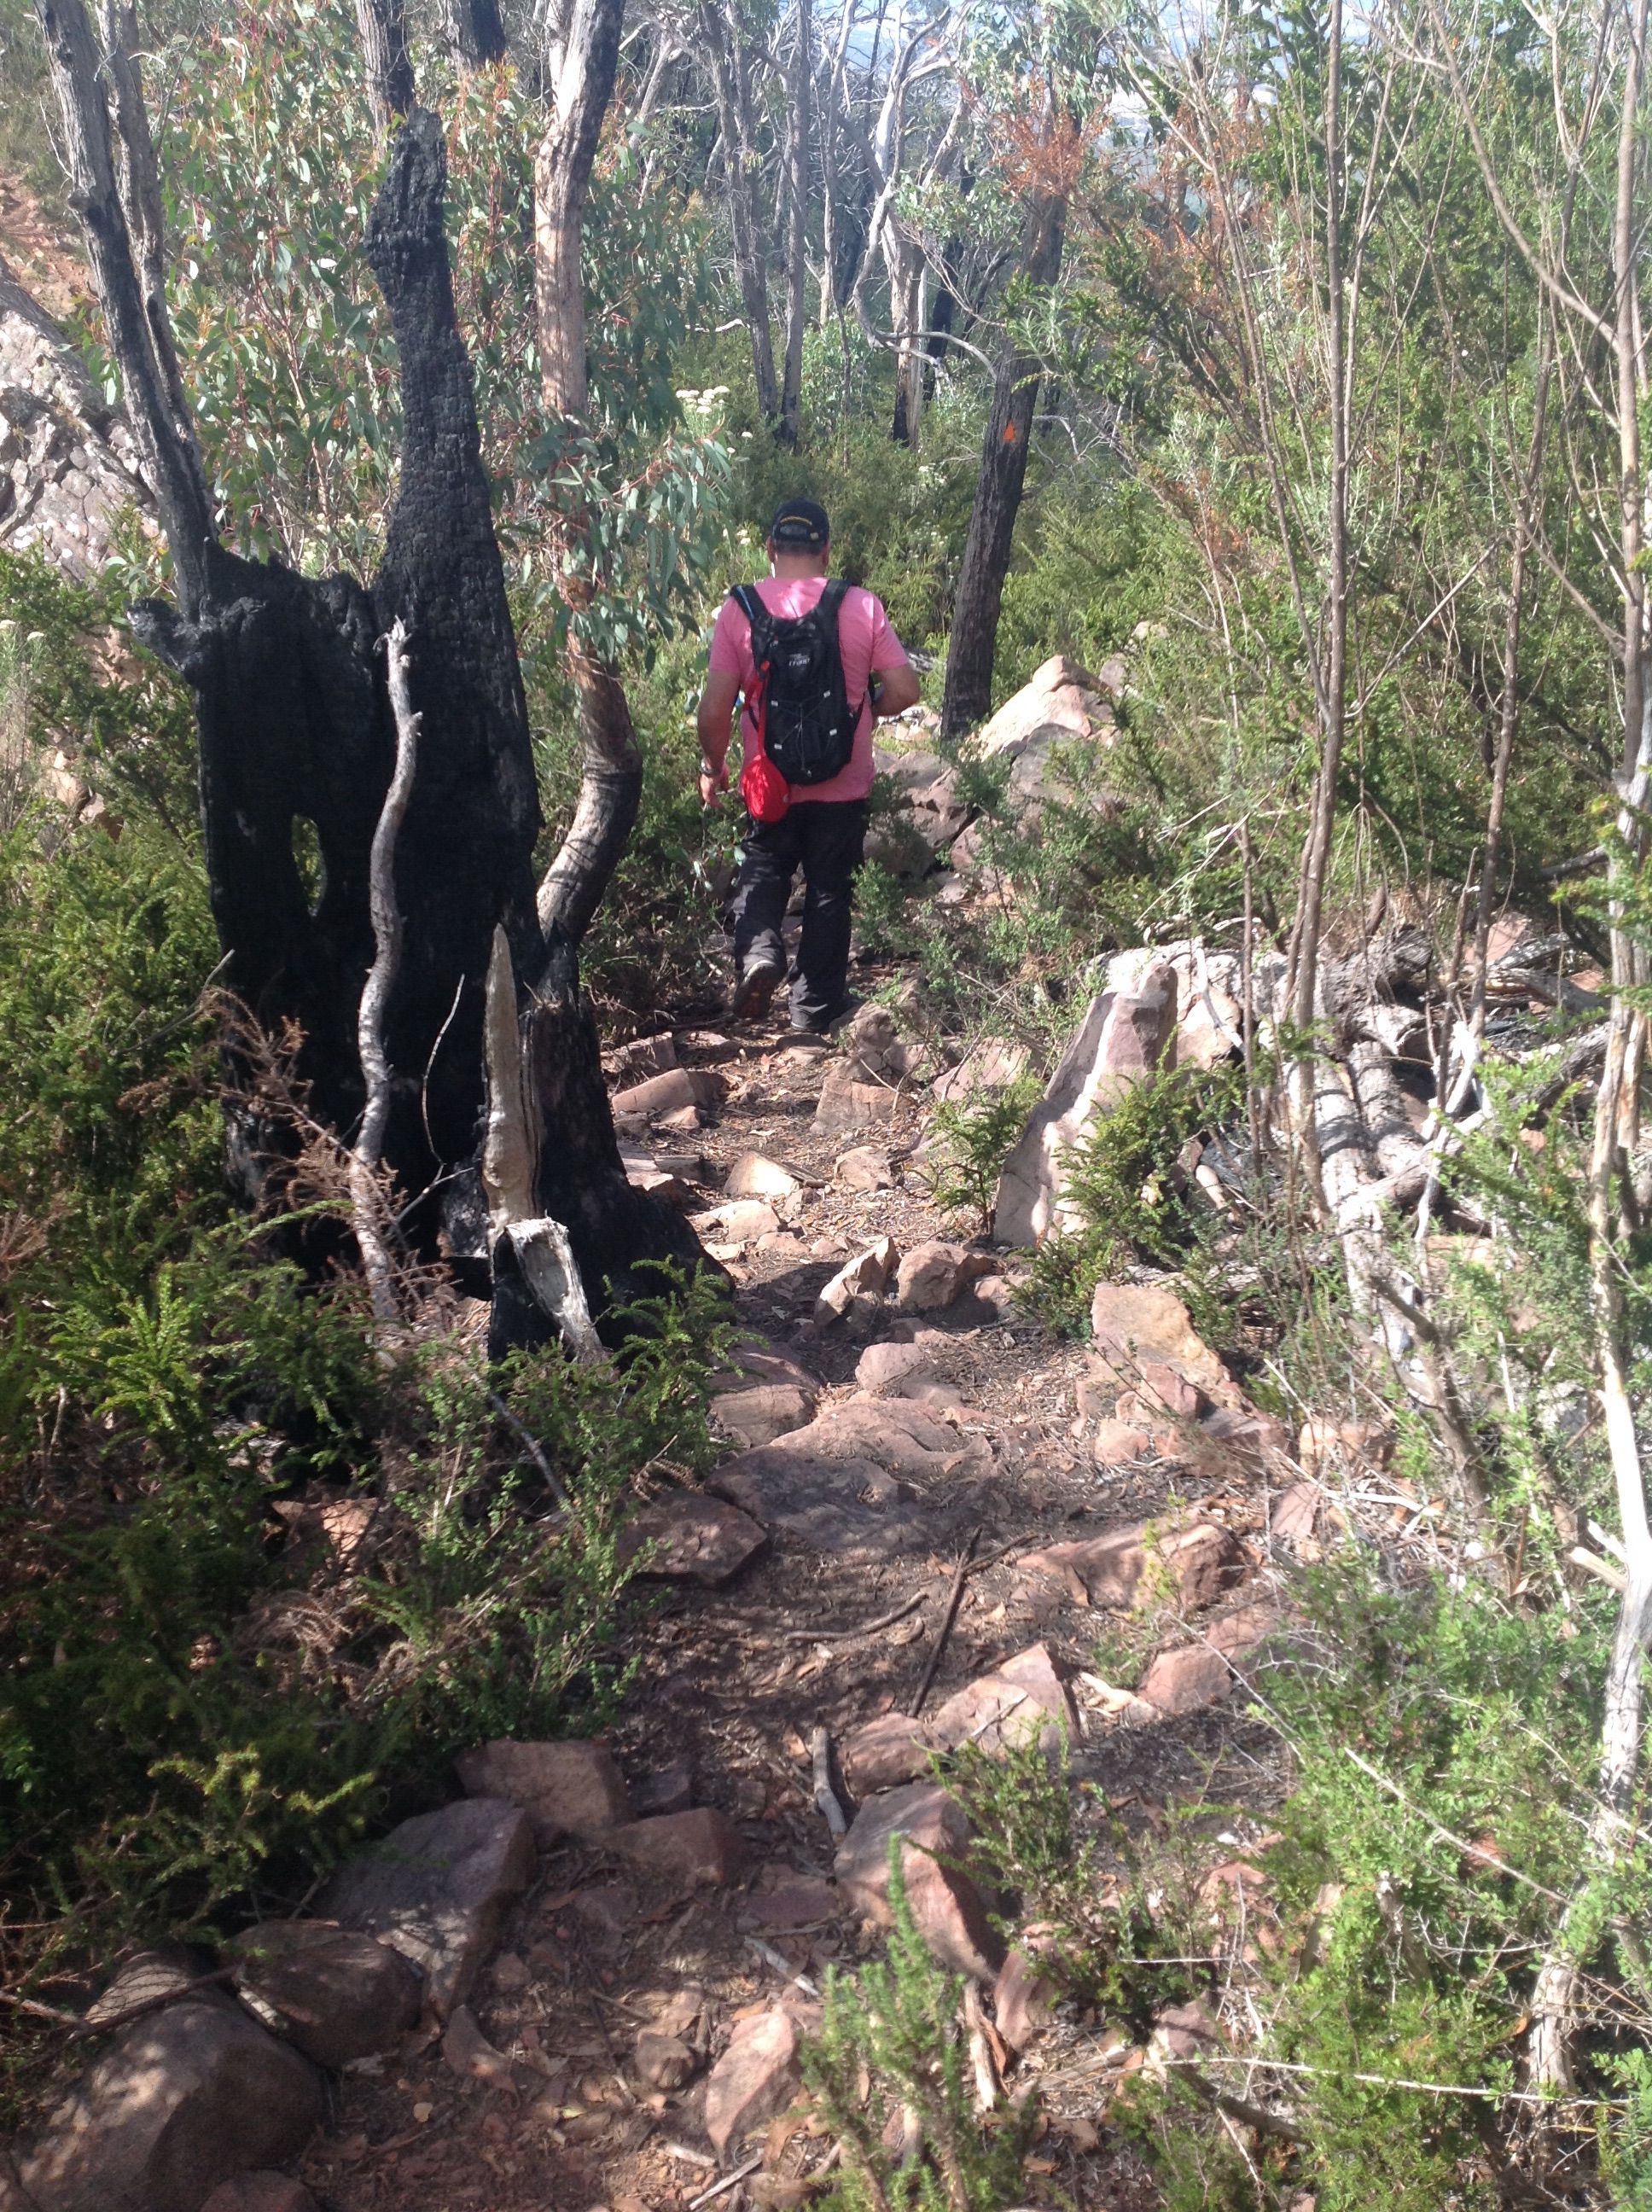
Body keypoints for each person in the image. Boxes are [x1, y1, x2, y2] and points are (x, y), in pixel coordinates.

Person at [697, 498, 922, 1031]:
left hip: (768, 782)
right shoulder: (861, 605)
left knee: (764, 866)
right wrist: (866, 709)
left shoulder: (739, 610)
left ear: (770, 549)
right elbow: (906, 690)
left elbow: (713, 709)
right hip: (843, 780)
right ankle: (815, 1006)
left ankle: (759, 953)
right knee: (830, 888)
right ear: (826, 551)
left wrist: (713, 765)